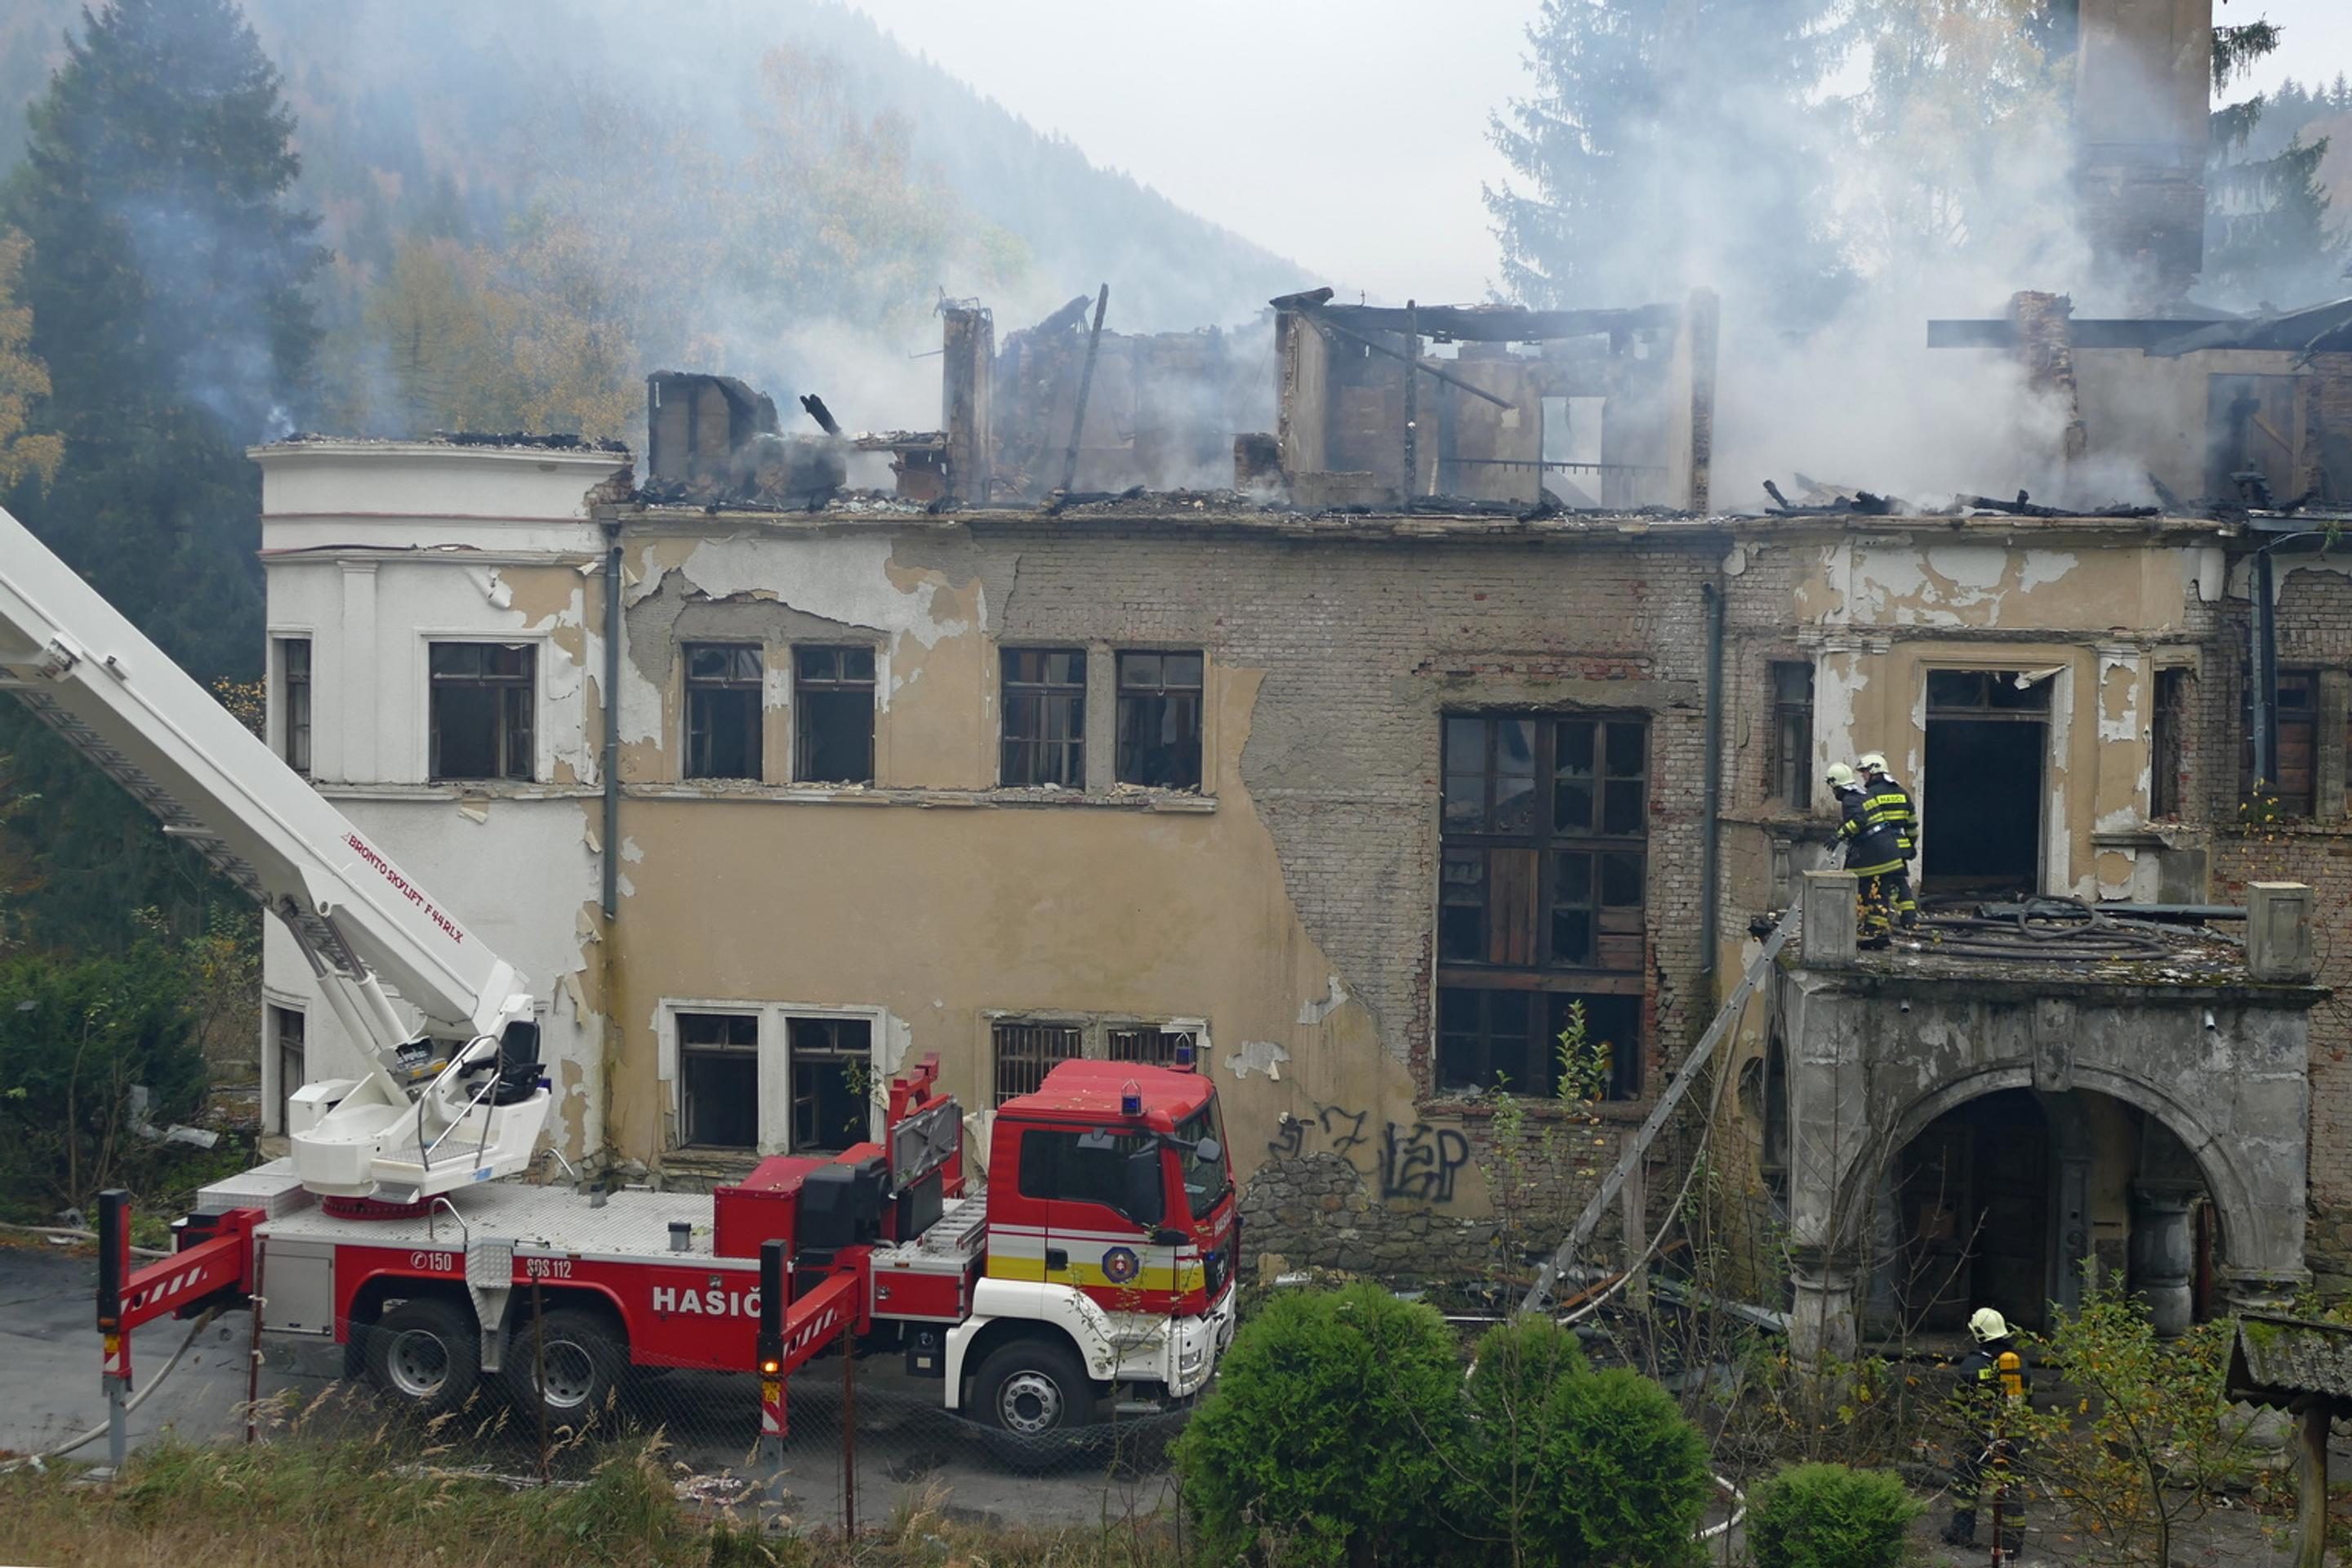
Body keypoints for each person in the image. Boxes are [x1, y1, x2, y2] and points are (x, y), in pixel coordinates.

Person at [1944, 1306, 2032, 1552]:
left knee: (1966, 1483)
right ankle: (2013, 1545)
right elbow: (2029, 1401)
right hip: (2013, 1437)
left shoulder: (1971, 1365)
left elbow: (1958, 1402)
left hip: (1977, 1436)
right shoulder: (2019, 1365)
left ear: (1979, 1333)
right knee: (2011, 1487)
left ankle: (1961, 1534)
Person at [1829, 762, 1904, 947]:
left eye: (1833, 788)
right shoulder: (1862, 795)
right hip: (1889, 853)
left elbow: (1859, 821)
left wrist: (1840, 835)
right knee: (1880, 894)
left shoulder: (1850, 800)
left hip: (1874, 855)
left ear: (1836, 785)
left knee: (1861, 890)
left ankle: (1864, 930)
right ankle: (1876, 933)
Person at [1855, 752, 1918, 929]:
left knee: (1878, 887)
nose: (1863, 776)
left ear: (1875, 771)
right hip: (1901, 848)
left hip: (1881, 849)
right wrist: (1911, 845)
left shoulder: (1869, 794)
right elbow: (1912, 825)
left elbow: (1864, 822)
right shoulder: (1902, 793)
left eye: (1865, 772)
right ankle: (1910, 920)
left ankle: (1875, 927)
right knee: (1900, 884)